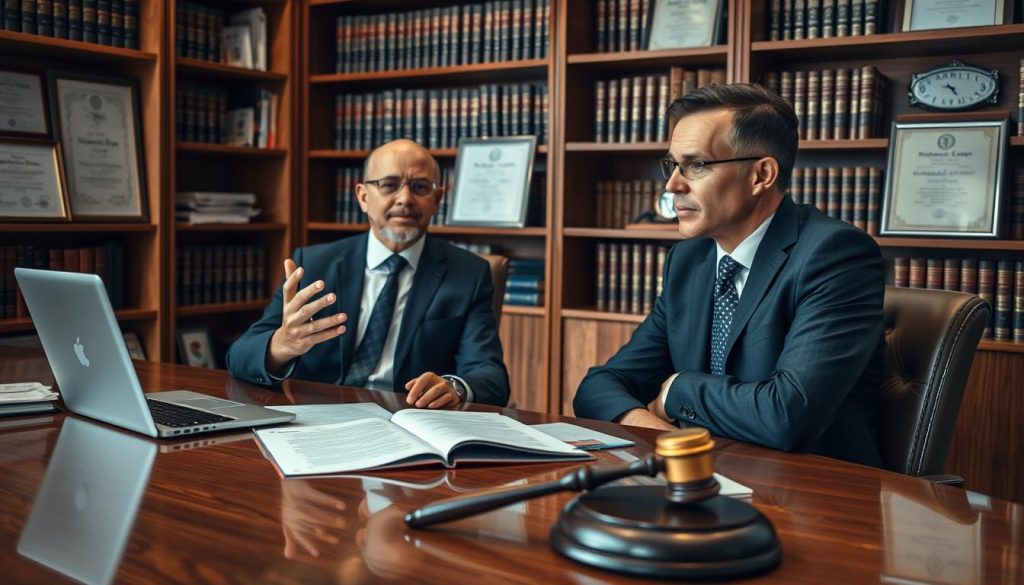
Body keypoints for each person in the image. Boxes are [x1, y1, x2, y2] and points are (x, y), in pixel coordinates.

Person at [573, 83, 885, 466]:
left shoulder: (835, 256)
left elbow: (787, 416)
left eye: (697, 165)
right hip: (706, 475)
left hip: (812, 494)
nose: (672, 185)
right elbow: (599, 386)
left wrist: (676, 390)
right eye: (672, 165)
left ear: (761, 175)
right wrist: (659, 432)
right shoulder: (689, 261)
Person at [226, 139, 510, 408]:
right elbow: (239, 357)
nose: (405, 199)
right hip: (317, 420)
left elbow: (490, 375)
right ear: (362, 196)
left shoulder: (469, 274)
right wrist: (281, 345)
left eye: (420, 187)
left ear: (437, 199)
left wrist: (454, 386)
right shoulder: (313, 264)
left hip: (407, 421)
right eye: (389, 185)